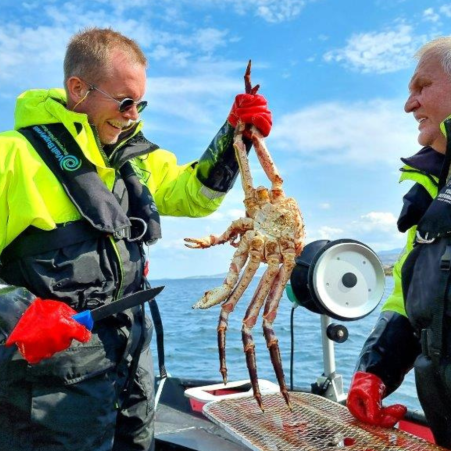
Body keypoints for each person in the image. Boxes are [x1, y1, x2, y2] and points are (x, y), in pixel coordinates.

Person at [0, 27, 272, 451]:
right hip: (49, 389)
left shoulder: (138, 158)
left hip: (132, 368)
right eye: (124, 101)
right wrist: (16, 310)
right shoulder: (11, 157)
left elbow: (196, 195)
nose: (132, 115)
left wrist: (234, 134)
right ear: (77, 88)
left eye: (139, 104)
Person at [347, 36, 451, 448]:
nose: (409, 105)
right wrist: (374, 371)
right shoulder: (432, 193)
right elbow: (407, 297)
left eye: (422, 86)